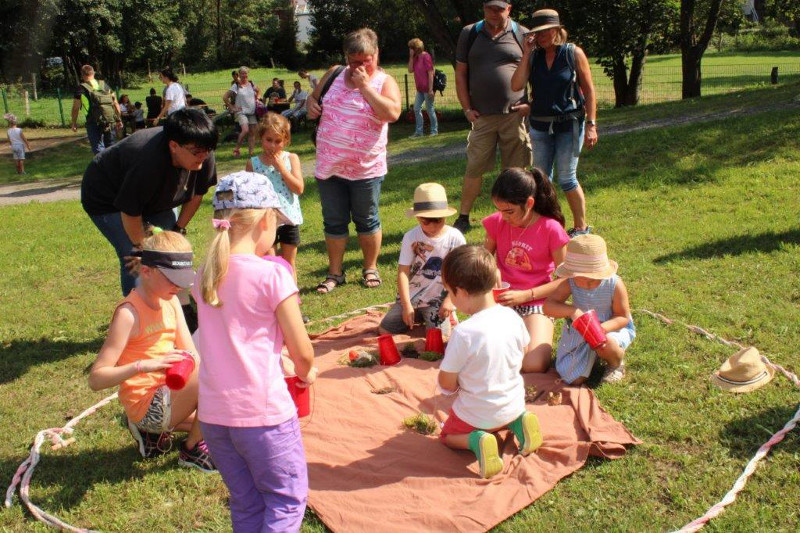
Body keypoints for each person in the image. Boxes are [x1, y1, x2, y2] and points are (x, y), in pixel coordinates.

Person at [194, 171, 317, 532]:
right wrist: (305, 370)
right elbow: (303, 352)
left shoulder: (205, 273)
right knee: (285, 499)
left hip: (215, 417)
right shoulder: (273, 276)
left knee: (246, 501)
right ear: (266, 219)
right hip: (264, 417)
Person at [87, 230, 215, 471]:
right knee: (215, 376)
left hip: (169, 391)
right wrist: (143, 365)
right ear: (146, 271)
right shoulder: (128, 314)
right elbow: (96, 379)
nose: (178, 286)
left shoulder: (172, 300)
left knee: (219, 411)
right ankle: (192, 450)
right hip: (146, 404)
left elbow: (192, 354)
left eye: (182, 278)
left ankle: (152, 435)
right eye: (171, 278)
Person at [81, 108, 217, 298]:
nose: (204, 157)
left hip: (154, 200)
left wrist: (178, 229)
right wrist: (143, 248)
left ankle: (176, 306)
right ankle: (138, 311)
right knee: (138, 256)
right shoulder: (146, 161)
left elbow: (197, 195)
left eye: (208, 151)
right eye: (197, 152)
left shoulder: (201, 150)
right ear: (174, 146)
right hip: (107, 198)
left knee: (170, 250)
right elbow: (130, 213)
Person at [306, 27, 402, 293]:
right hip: (330, 165)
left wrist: (365, 87)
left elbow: (392, 113)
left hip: (365, 168)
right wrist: (311, 106)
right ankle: (335, 272)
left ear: (376, 54)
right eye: (354, 61)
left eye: (366, 60)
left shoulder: (384, 81)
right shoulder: (335, 73)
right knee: (333, 221)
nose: (360, 66)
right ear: (346, 57)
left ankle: (370, 267)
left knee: (367, 219)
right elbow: (313, 101)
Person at [437, 244, 543, 479]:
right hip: (514, 404)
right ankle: (520, 424)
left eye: (451, 294)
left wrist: (449, 385)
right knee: (505, 413)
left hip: (477, 415)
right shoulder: (512, 316)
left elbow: (446, 382)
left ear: (461, 292)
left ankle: (477, 440)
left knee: (447, 436)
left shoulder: (464, 333)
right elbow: (524, 350)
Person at [510, 8, 598, 237]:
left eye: (547, 30)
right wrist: (527, 53)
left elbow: (589, 91)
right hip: (539, 125)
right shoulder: (534, 57)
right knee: (540, 179)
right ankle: (547, 225)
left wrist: (591, 124)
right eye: (538, 32)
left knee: (567, 178)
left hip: (569, 125)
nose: (542, 36)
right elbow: (516, 85)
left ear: (557, 30)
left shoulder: (573, 53)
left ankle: (581, 228)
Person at [452, 0, 532, 234]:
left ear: (509, 8)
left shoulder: (523, 33)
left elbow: (534, 70)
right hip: (482, 117)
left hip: (514, 115)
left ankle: (515, 216)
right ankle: (464, 216)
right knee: (474, 167)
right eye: (489, 8)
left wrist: (530, 104)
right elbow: (460, 74)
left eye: (499, 9)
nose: (494, 13)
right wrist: (466, 108)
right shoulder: (470, 33)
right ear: (483, 8)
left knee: (516, 171)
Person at [482, 167, 569, 373]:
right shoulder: (496, 222)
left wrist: (526, 295)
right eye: (499, 210)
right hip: (501, 301)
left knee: (533, 364)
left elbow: (567, 280)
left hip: (537, 302)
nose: (503, 217)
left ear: (529, 203)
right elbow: (484, 259)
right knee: (485, 355)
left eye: (509, 211)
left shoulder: (551, 228)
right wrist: (492, 271)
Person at [544, 234, 634, 384]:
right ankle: (593, 357)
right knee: (573, 379)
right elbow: (548, 306)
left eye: (592, 278)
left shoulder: (614, 284)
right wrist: (572, 311)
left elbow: (622, 317)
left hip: (611, 328)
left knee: (605, 344)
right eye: (580, 276)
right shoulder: (570, 282)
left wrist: (601, 329)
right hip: (582, 330)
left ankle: (615, 364)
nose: (585, 282)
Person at [378, 183, 464, 336]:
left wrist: (450, 300)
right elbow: (403, 272)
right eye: (426, 221)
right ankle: (417, 313)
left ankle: (446, 315)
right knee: (384, 330)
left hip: (438, 300)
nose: (432, 226)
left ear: (445, 216)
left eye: (437, 220)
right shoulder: (411, 237)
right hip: (412, 297)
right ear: (417, 218)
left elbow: (462, 274)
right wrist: (406, 305)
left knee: (439, 339)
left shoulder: (455, 237)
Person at [245, 113, 304, 278]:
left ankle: (291, 297)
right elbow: (248, 195)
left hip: (288, 218)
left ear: (286, 140)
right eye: (268, 140)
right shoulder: (253, 163)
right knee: (269, 261)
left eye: (278, 141)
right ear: (261, 138)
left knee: (288, 262)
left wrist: (282, 169)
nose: (272, 145)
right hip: (265, 220)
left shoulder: (291, 158)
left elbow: (298, 188)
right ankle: (272, 298)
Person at [70, 64, 123, 154]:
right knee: (111, 146)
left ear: (82, 75)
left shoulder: (81, 88)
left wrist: (74, 123)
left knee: (98, 148)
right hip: (109, 120)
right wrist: (119, 120)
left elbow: (76, 108)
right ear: (93, 73)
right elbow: (115, 103)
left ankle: (103, 167)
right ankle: (113, 166)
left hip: (93, 121)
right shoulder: (104, 85)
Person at [224, 66, 260, 158]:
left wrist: (257, 99)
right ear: (239, 74)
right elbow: (225, 97)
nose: (244, 75)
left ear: (248, 74)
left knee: (252, 132)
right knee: (245, 130)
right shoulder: (236, 85)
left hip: (251, 111)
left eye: (245, 73)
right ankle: (236, 149)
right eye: (242, 73)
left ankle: (251, 154)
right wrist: (231, 107)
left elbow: (258, 91)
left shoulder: (251, 84)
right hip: (241, 112)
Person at [407, 38, 438, 137]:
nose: (410, 50)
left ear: (416, 48)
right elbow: (410, 70)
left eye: (411, 48)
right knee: (416, 109)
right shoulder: (415, 58)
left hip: (427, 89)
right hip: (419, 89)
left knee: (430, 109)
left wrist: (430, 90)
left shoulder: (426, 56)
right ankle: (419, 132)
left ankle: (434, 131)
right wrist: (411, 57)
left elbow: (430, 73)